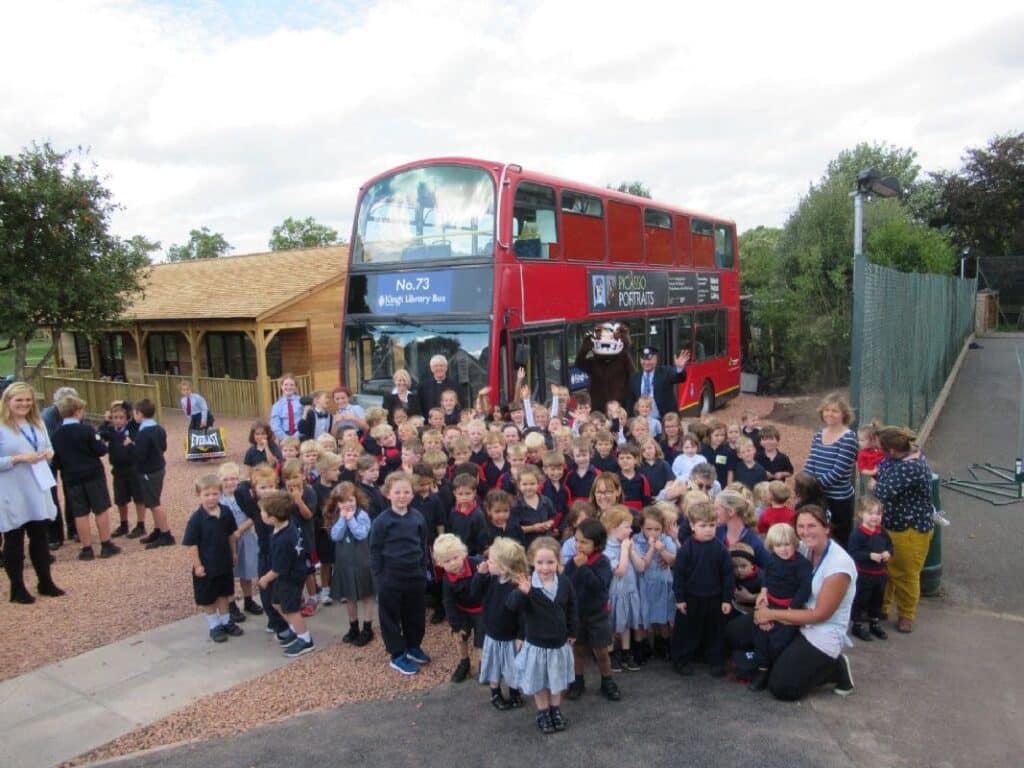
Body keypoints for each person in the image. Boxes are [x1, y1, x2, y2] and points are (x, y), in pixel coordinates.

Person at [752, 505, 856, 700]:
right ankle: (779, 661)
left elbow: (820, 615)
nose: (805, 532)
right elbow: (773, 570)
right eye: (801, 526)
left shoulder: (839, 565)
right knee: (737, 633)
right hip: (790, 612)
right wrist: (762, 597)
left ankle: (835, 667)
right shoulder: (800, 546)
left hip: (821, 629)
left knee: (782, 687)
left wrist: (770, 615)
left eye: (812, 526)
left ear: (826, 528)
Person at [0, 382, 64, 603]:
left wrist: (47, 453)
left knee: (39, 536)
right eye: (19, 400)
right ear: (8, 401)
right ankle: (17, 588)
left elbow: (49, 446)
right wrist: (16, 459)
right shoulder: (1, 426)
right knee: (14, 539)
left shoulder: (36, 423)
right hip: (11, 488)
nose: (24, 404)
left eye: (28, 400)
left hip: (37, 485)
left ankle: (45, 581)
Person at [508, 536, 578, 735]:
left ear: (558, 562)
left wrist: (573, 631)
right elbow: (512, 606)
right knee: (539, 681)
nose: (545, 568)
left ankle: (555, 710)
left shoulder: (564, 583)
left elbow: (572, 607)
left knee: (556, 681)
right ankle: (543, 712)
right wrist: (522, 593)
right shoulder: (528, 584)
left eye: (550, 562)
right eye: (540, 562)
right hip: (537, 644)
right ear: (532, 561)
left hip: (559, 643)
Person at [369, 471, 433, 676]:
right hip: (390, 576)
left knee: (414, 613)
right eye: (397, 492)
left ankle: (413, 646)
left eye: (406, 492)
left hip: (415, 575)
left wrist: (424, 569)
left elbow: (423, 544)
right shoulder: (382, 521)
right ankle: (397, 654)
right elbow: (375, 549)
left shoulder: (417, 517)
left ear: (412, 494)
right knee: (390, 615)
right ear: (388, 494)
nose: (402, 496)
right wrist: (380, 574)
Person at [873, 426, 934, 634]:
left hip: (910, 528)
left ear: (891, 450)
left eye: (881, 448)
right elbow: (880, 470)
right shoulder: (900, 457)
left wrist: (875, 481)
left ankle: (906, 615)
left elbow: (881, 490)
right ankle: (883, 607)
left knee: (905, 574)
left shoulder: (910, 467)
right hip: (893, 524)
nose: (878, 452)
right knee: (888, 569)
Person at [51, 394, 122, 560]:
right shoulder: (87, 429)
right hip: (92, 474)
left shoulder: (56, 435)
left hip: (71, 477)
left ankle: (87, 548)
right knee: (100, 509)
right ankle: (106, 544)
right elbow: (100, 450)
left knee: (80, 513)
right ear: (77, 411)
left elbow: (56, 460)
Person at [671, 500, 734, 677]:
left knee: (715, 631)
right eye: (703, 525)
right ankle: (681, 660)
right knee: (686, 631)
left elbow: (728, 575)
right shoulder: (686, 550)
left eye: (712, 525)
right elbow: (679, 576)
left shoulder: (721, 549)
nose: (708, 529)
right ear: (692, 525)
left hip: (715, 598)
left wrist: (727, 599)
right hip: (691, 598)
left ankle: (715, 660)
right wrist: (680, 598)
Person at [748, 523, 813, 692]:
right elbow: (766, 577)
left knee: (780, 641)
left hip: (789, 607)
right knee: (761, 637)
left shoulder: (802, 564)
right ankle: (763, 669)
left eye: (787, 544)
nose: (783, 549)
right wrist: (763, 593)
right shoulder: (771, 559)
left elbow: (805, 588)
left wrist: (792, 609)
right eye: (778, 545)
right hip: (770, 601)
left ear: (795, 543)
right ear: (772, 546)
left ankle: (776, 669)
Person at [564, 517, 620, 702]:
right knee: (578, 650)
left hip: (597, 614)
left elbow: (599, 585)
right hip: (577, 615)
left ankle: (607, 680)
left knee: (601, 652)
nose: (579, 546)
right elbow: (567, 584)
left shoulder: (602, 562)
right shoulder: (573, 562)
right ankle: (577, 681)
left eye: (584, 542)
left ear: (597, 544)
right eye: (577, 540)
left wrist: (584, 568)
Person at [182, 474, 242, 643]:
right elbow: (191, 544)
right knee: (208, 597)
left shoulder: (226, 512)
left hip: (223, 561)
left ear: (220, 494)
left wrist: (234, 553)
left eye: (215, 494)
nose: (211, 498)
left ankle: (225, 621)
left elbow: (231, 534)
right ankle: (214, 625)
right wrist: (197, 565)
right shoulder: (196, 519)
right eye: (206, 495)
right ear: (199, 495)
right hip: (206, 565)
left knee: (224, 593)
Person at [257, 490, 316, 658]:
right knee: (276, 603)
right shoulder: (284, 526)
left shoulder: (283, 540)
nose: (261, 514)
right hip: (287, 576)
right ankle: (293, 629)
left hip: (289, 578)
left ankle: (304, 639)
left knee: (291, 610)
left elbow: (278, 568)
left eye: (263, 512)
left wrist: (264, 579)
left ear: (272, 518)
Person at [475, 536, 528, 710]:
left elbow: (518, 610)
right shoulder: (490, 579)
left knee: (513, 667)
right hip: (492, 633)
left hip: (510, 636)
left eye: (491, 561)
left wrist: (521, 635)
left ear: (504, 567)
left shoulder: (515, 586)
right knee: (494, 667)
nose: (486, 563)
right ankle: (495, 693)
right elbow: (473, 594)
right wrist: (480, 575)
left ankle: (514, 692)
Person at [804, 393, 859, 547]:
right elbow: (811, 461)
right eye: (826, 410)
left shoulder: (848, 438)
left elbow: (839, 471)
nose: (829, 414)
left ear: (844, 414)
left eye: (834, 411)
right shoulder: (818, 435)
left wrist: (814, 486)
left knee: (838, 539)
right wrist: (803, 481)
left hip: (838, 499)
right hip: (818, 496)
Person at [325, 482, 376, 647]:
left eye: (351, 500)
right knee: (349, 597)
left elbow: (361, 534)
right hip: (344, 563)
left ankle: (367, 628)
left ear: (356, 499)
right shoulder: (336, 516)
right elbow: (335, 536)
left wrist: (351, 520)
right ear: (337, 504)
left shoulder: (362, 515)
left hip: (362, 562)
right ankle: (353, 626)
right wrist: (342, 519)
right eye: (343, 501)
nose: (347, 504)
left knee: (367, 595)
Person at [434, 533, 485, 683]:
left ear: (463, 554)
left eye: (455, 558)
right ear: (440, 564)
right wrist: (455, 626)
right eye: (447, 561)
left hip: (481, 609)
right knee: (459, 637)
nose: (453, 563)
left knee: (482, 641)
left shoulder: (477, 564)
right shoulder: (447, 580)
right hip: (462, 610)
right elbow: (448, 603)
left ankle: (483, 664)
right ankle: (464, 662)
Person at [631, 505, 677, 662]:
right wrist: (652, 549)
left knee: (662, 618)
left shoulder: (665, 540)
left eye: (657, 529)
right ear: (642, 527)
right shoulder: (636, 541)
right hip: (643, 585)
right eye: (648, 529)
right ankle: (641, 647)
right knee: (642, 618)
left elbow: (672, 560)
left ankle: (663, 645)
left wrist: (662, 550)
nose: (653, 533)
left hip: (662, 584)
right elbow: (642, 564)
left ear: (662, 528)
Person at [217, 462, 262, 621]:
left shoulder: (243, 496)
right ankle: (231, 604)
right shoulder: (219, 499)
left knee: (246, 569)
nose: (230, 483)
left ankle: (248, 599)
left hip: (245, 535)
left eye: (234, 479)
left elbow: (254, 516)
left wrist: (240, 530)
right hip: (226, 539)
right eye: (226, 479)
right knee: (229, 572)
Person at [847, 494, 893, 641]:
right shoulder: (858, 534)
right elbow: (853, 553)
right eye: (871, 513)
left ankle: (875, 622)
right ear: (861, 514)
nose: (875, 517)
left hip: (880, 574)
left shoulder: (882, 532)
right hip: (864, 575)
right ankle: (857, 625)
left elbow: (890, 547)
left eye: (878, 513)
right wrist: (869, 555)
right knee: (861, 600)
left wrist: (888, 553)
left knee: (877, 600)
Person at [603, 505, 642, 671]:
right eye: (626, 526)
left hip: (629, 591)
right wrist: (625, 550)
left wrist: (631, 551)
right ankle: (612, 654)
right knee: (612, 624)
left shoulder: (629, 543)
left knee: (626, 623)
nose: (631, 530)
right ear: (613, 528)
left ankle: (626, 651)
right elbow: (619, 570)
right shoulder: (606, 548)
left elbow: (640, 567)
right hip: (614, 594)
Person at [98, 402, 145, 539]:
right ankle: (123, 524)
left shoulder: (132, 428)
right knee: (120, 499)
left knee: (139, 498)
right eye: (115, 418)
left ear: (126, 418)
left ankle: (140, 524)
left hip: (133, 468)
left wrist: (122, 403)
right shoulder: (110, 431)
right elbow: (100, 433)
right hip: (118, 470)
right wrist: (105, 421)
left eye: (121, 417)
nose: (118, 420)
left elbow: (132, 408)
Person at [132, 399, 174, 549]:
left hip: (148, 470)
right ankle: (158, 530)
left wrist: (131, 446)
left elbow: (140, 455)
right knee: (152, 501)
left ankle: (166, 534)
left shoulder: (144, 433)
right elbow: (163, 447)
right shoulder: (159, 429)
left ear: (140, 414)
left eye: (135, 413)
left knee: (154, 503)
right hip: (158, 467)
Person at [41, 385, 77, 547]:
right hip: (50, 458)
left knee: (72, 493)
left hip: (68, 456)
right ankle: (55, 535)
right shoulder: (47, 416)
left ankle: (74, 528)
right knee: (51, 496)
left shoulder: (75, 413)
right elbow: (49, 440)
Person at [626, 346, 690, 422]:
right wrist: (631, 420)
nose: (646, 363)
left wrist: (679, 368)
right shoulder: (634, 378)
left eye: (649, 359)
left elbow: (679, 378)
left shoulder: (665, 372)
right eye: (643, 359)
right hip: (643, 422)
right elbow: (631, 401)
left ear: (656, 360)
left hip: (665, 421)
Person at [270, 374, 305, 441]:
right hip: (284, 438)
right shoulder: (276, 406)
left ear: (296, 387)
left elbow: (306, 420)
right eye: (286, 384)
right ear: (281, 386)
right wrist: (285, 438)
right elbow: (275, 425)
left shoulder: (302, 402)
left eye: (292, 385)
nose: (288, 387)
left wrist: (296, 436)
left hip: (300, 436)